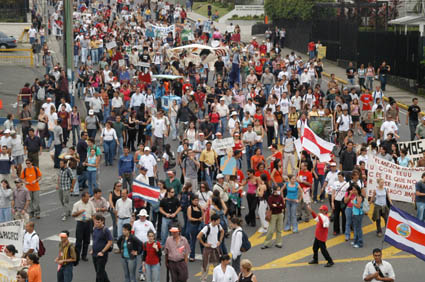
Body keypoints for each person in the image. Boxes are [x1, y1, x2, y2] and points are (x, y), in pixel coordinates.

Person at [197, 213, 225, 282]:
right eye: (218, 220)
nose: (219, 222)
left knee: (217, 265)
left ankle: (217, 278)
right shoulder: (207, 227)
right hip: (208, 249)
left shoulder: (218, 226)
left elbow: (222, 231)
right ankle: (203, 279)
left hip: (216, 248)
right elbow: (198, 236)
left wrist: (220, 241)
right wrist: (204, 244)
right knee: (206, 265)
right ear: (213, 221)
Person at [72, 192, 96, 262]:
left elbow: (94, 213)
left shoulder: (90, 203)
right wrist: (79, 212)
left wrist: (94, 223)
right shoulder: (77, 204)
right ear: (83, 197)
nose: (88, 199)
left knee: (87, 240)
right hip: (80, 223)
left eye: (88, 197)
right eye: (87, 197)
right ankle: (77, 256)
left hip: (88, 222)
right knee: (79, 241)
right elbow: (73, 215)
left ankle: (84, 255)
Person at [91, 213, 113, 282]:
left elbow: (110, 242)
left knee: (99, 274)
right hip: (94, 254)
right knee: (100, 271)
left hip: (102, 255)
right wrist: (92, 249)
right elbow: (94, 240)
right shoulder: (94, 228)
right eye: (95, 222)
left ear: (102, 221)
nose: (97, 223)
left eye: (98, 222)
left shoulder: (106, 230)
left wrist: (102, 251)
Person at [186, 195, 204, 262]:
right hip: (193, 225)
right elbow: (189, 218)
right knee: (193, 241)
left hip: (200, 225)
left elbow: (203, 214)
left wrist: (202, 219)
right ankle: (192, 256)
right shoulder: (190, 208)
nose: (196, 202)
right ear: (192, 200)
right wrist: (197, 219)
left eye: (197, 200)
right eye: (195, 200)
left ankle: (203, 255)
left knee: (201, 241)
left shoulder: (199, 207)